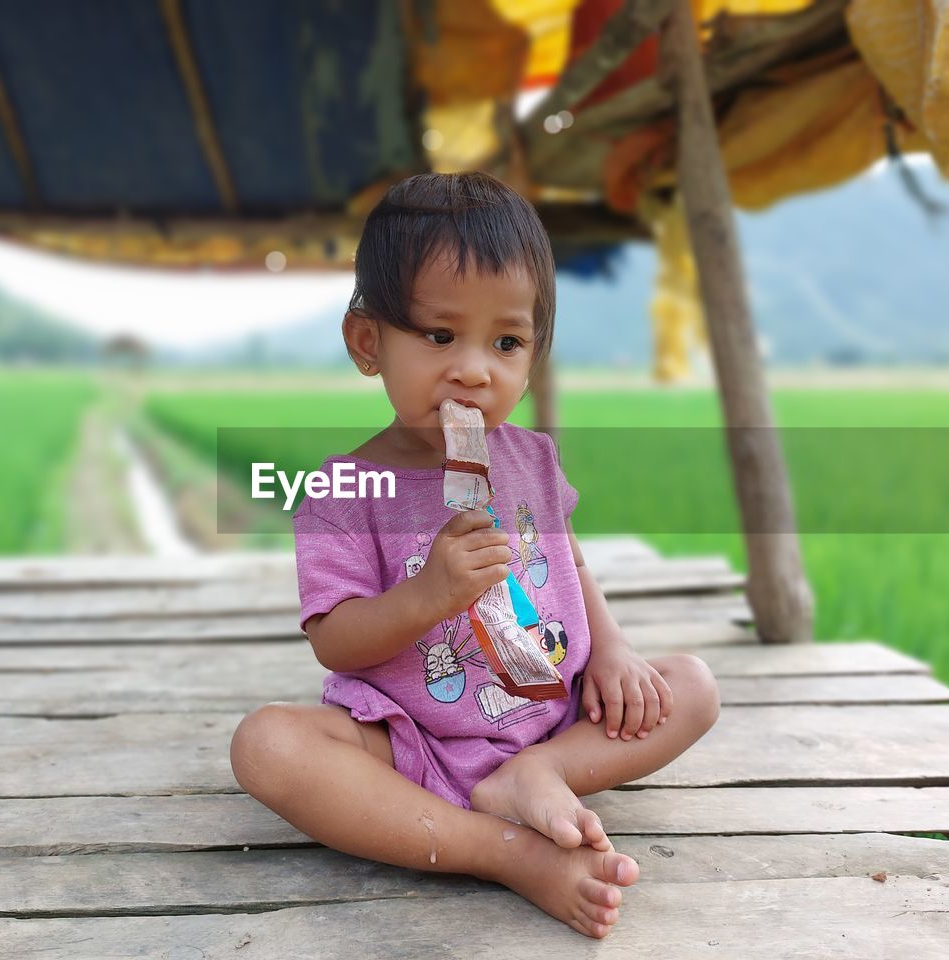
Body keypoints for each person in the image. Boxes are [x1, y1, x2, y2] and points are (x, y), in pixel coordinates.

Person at [230, 171, 721, 940]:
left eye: (506, 342)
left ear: (534, 353)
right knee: (265, 746)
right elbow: (334, 638)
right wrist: (428, 596)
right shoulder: (343, 488)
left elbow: (570, 567)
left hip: (552, 718)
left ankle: (538, 776)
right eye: (438, 336)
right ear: (368, 342)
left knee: (689, 685)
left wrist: (616, 650)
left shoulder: (531, 458)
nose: (473, 369)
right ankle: (500, 852)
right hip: (413, 741)